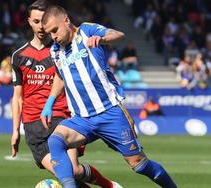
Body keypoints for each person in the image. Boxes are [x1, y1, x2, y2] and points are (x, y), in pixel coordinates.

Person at [40, 5, 177, 188]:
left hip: (110, 112)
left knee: (139, 165)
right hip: (81, 118)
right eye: (49, 33)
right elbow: (60, 75)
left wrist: (102, 39)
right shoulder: (55, 50)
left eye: (55, 30)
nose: (53, 36)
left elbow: (118, 35)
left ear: (66, 20)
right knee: (55, 141)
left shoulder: (87, 31)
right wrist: (49, 102)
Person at [10, 1, 121, 188]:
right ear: (29, 21)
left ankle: (110, 186)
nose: (41, 26)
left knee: (73, 171)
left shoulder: (61, 50)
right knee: (64, 175)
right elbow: (17, 96)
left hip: (62, 117)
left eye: (44, 21)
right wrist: (14, 131)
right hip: (32, 125)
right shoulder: (19, 56)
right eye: (36, 21)